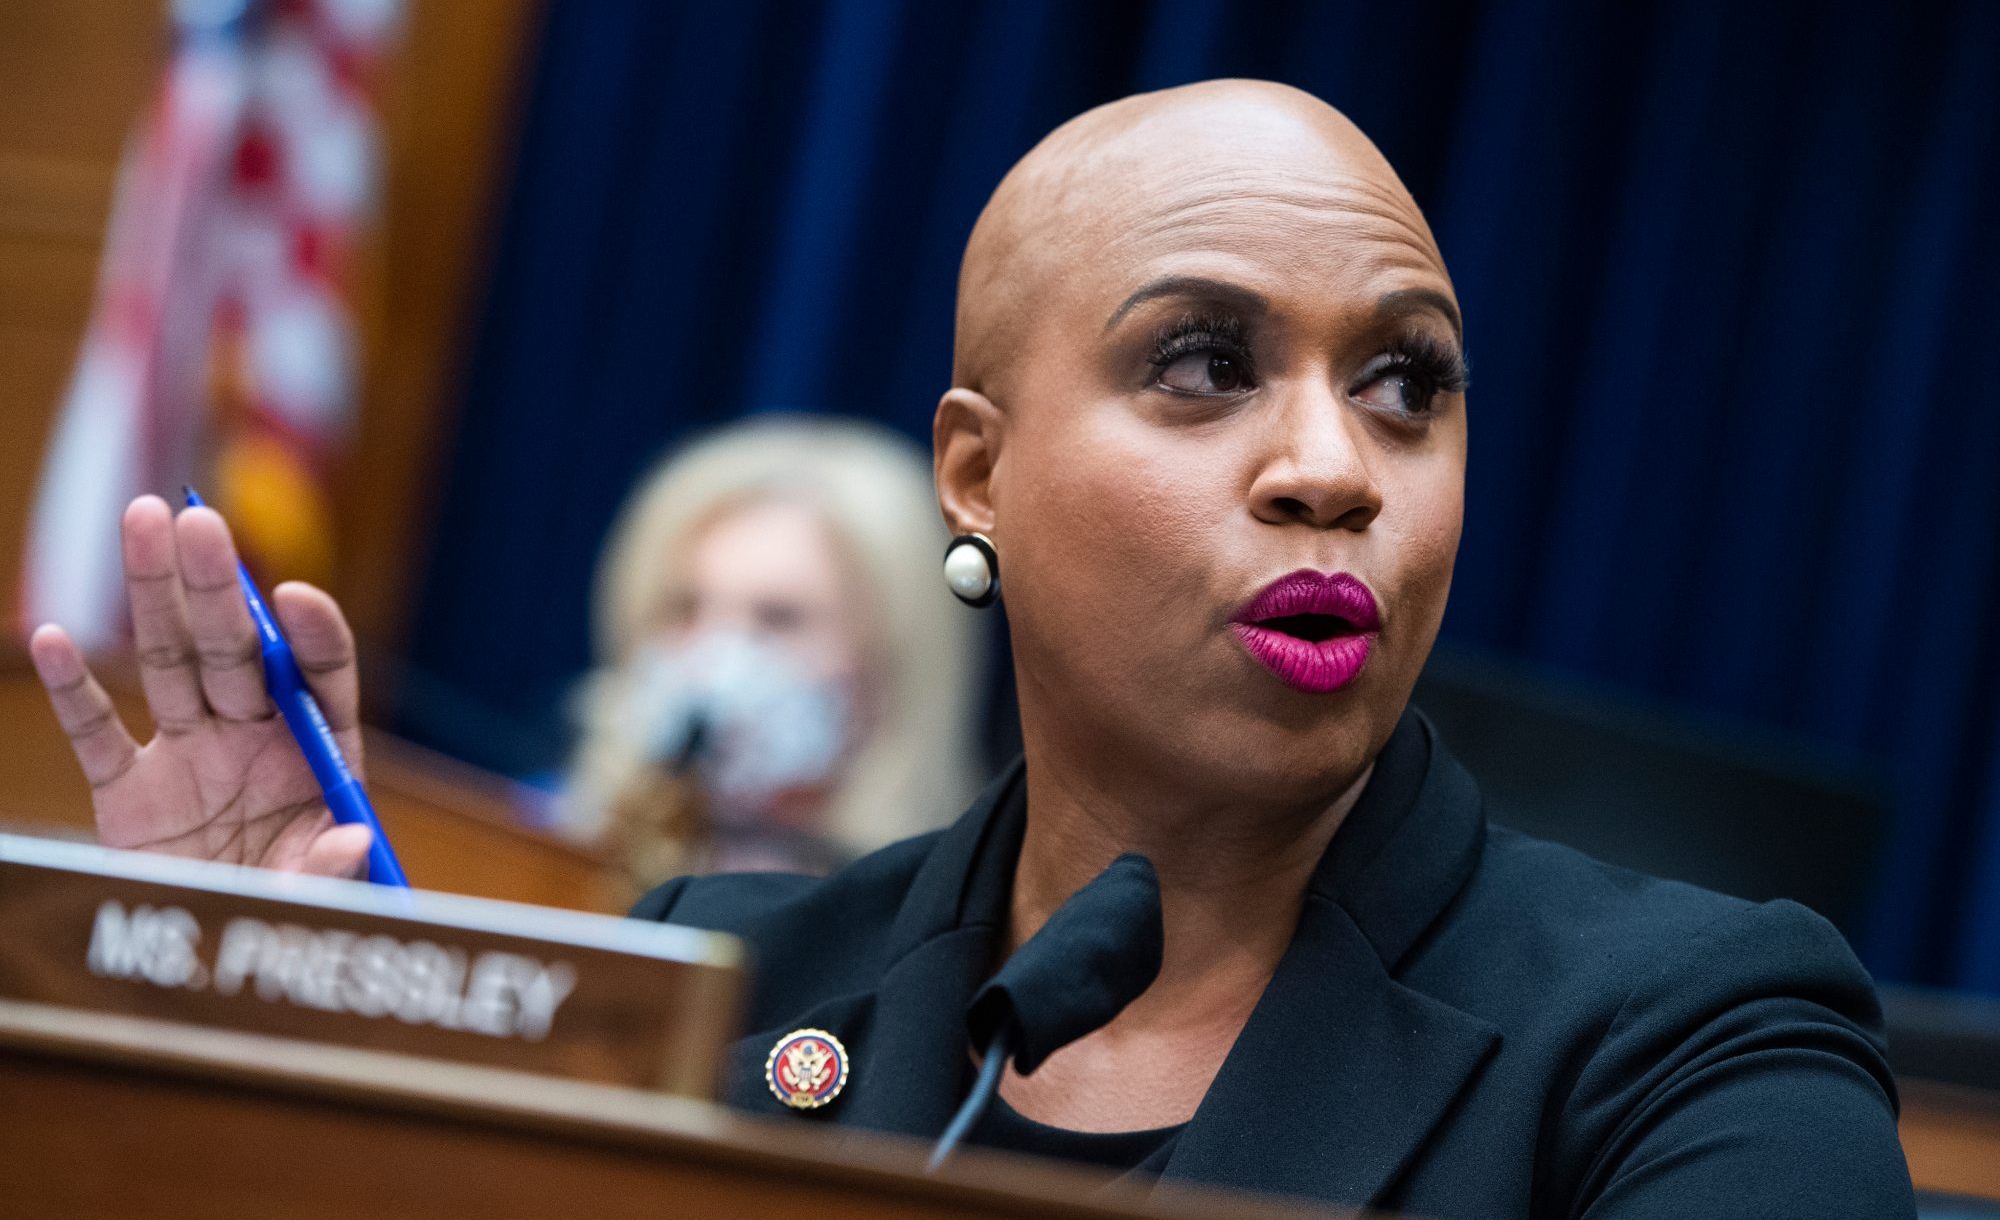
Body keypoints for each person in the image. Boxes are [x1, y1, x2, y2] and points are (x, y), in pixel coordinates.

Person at [26, 80, 1914, 1216]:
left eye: (1407, 384)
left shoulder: (1693, 1040)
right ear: (979, 473)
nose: (1336, 468)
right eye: (1205, 364)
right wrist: (239, 1035)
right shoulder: (718, 975)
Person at [558, 416, 984, 887]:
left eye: (779, 618)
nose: (708, 660)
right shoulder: (532, 847)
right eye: (684, 609)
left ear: (898, 658)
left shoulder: (952, 909)